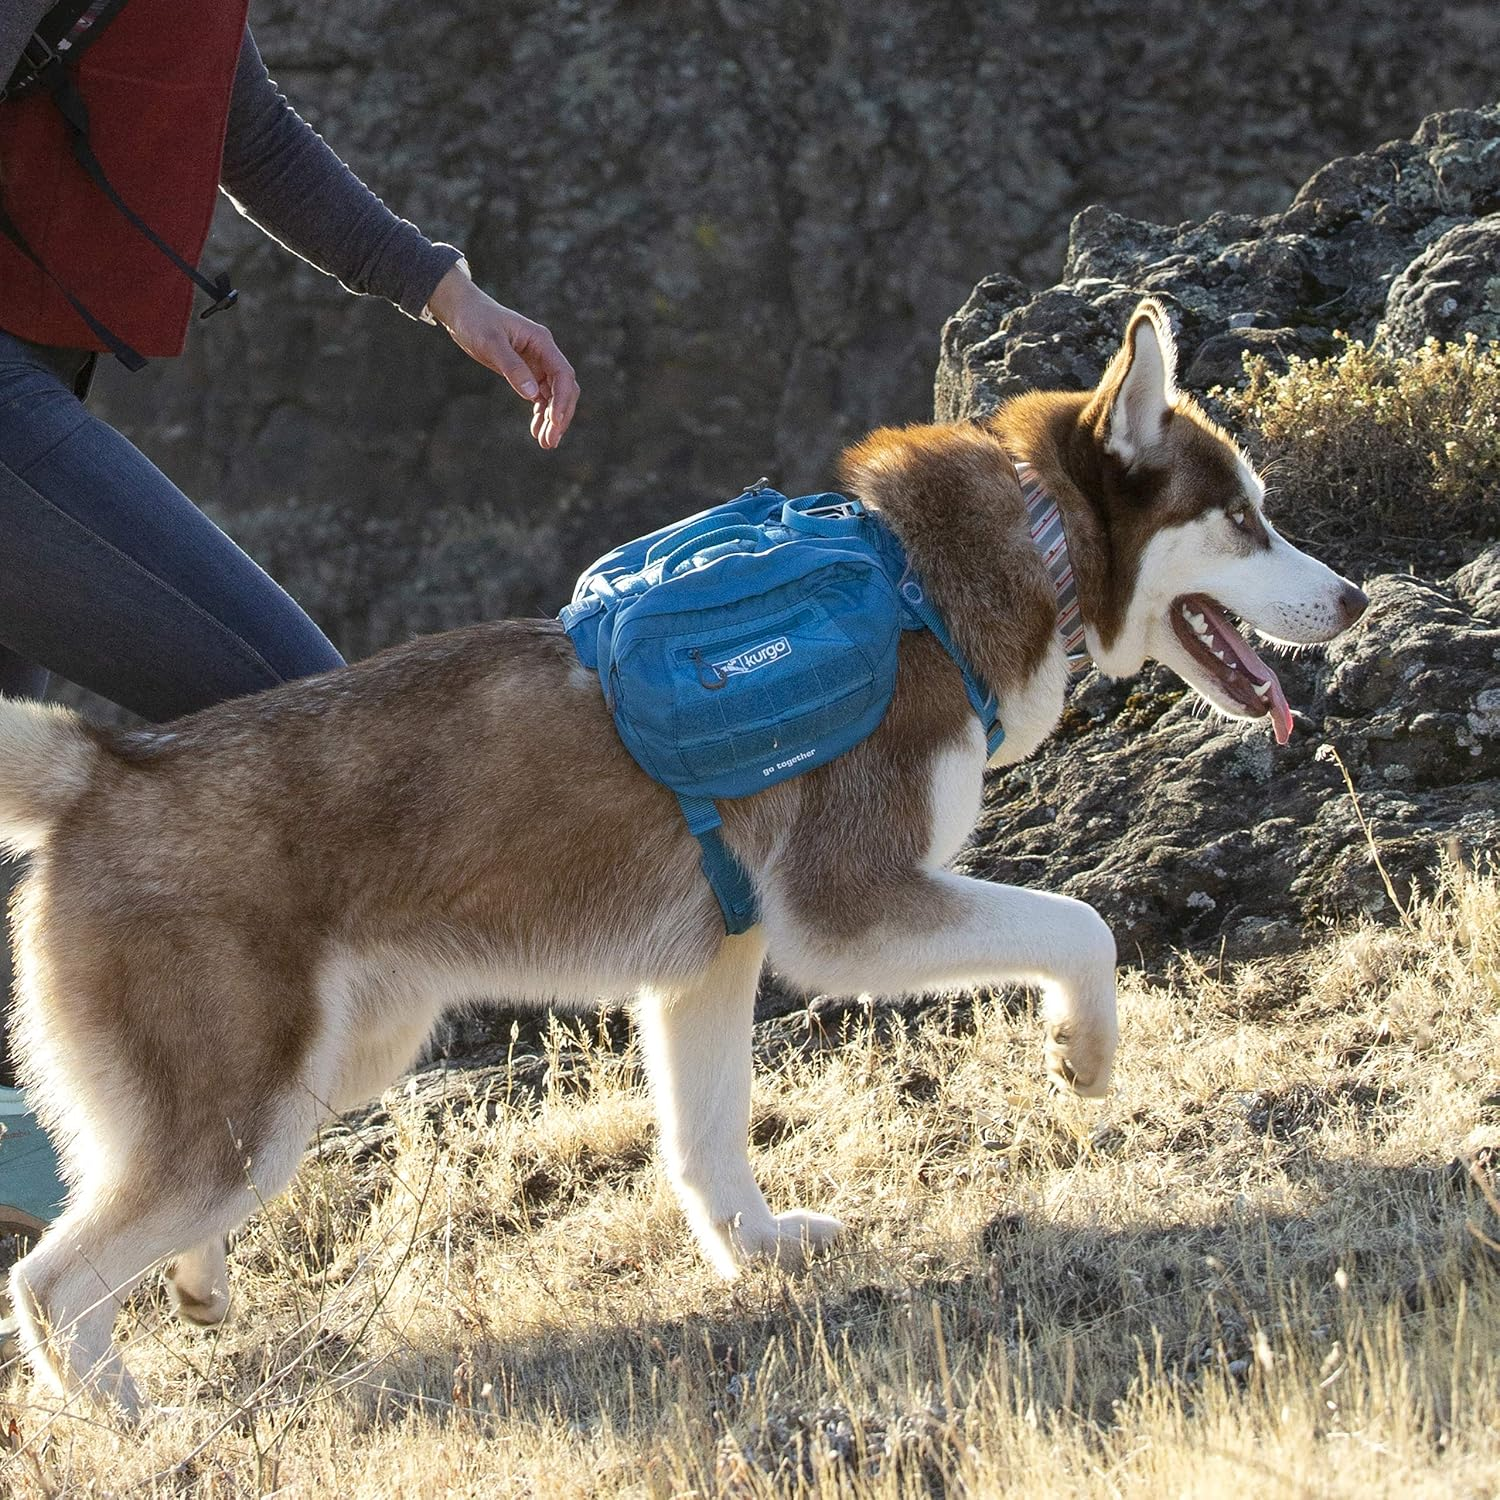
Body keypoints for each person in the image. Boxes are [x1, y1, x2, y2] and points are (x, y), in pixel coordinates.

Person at [0, 1, 579, 1269]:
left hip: (36, 375)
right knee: (297, 717)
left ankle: (95, 1194)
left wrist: (444, 292)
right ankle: (178, 1182)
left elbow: (239, 121)